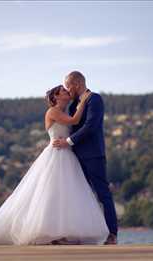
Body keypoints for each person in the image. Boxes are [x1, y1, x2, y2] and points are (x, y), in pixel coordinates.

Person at [0, 84, 109, 245]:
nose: (67, 92)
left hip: (68, 155)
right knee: (51, 194)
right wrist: (83, 101)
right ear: (55, 97)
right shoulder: (53, 111)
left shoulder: (65, 111)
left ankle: (64, 233)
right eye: (63, 91)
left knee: (66, 194)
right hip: (56, 154)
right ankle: (50, 233)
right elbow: (74, 120)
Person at [53, 71, 118, 244]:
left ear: (76, 84)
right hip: (75, 157)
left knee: (103, 194)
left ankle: (112, 235)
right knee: (77, 196)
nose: (67, 90)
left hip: (93, 155)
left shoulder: (94, 99)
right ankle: (75, 236)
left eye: (68, 86)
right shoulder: (75, 104)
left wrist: (68, 141)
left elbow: (90, 126)